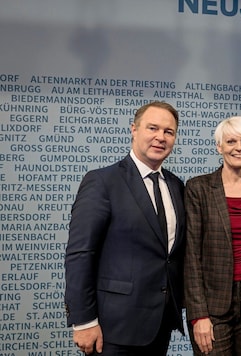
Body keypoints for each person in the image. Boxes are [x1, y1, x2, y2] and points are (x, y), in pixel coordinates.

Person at [64, 101, 186, 355]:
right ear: (134, 129)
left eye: (168, 131)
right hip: (114, 328)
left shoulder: (176, 186)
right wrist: (84, 321)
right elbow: (80, 254)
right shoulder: (102, 181)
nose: (160, 137)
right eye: (152, 128)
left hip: (160, 324)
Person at [183, 116, 241, 355]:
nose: (239, 148)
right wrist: (198, 315)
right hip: (213, 303)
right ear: (219, 146)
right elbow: (191, 257)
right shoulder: (198, 188)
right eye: (231, 141)